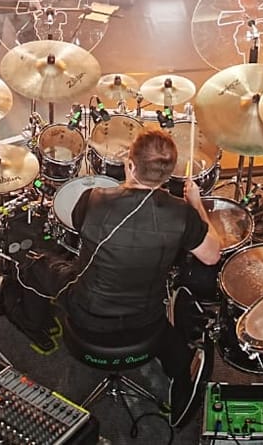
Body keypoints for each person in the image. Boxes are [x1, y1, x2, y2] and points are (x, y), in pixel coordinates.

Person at [58, 127, 219, 427]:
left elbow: (80, 226)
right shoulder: (181, 213)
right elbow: (212, 255)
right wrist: (196, 203)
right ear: (168, 174)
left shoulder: (93, 198)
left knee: (48, 270)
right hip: (145, 325)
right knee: (178, 347)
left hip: (86, 321)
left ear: (130, 165)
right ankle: (182, 385)